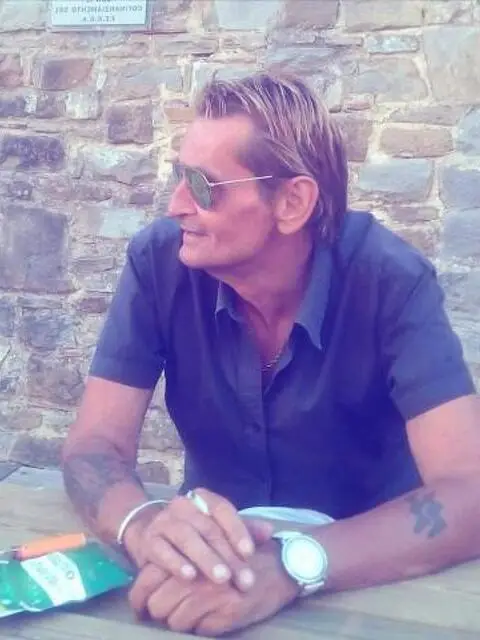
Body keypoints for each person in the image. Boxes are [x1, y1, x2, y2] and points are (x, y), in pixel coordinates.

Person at [62, 72, 480, 636]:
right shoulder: (160, 264)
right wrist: (145, 527)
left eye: (203, 186)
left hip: (369, 584)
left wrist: (292, 563)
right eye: (179, 176)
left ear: (292, 202)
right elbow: (93, 446)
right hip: (209, 573)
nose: (176, 205)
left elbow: (469, 491)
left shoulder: (389, 281)